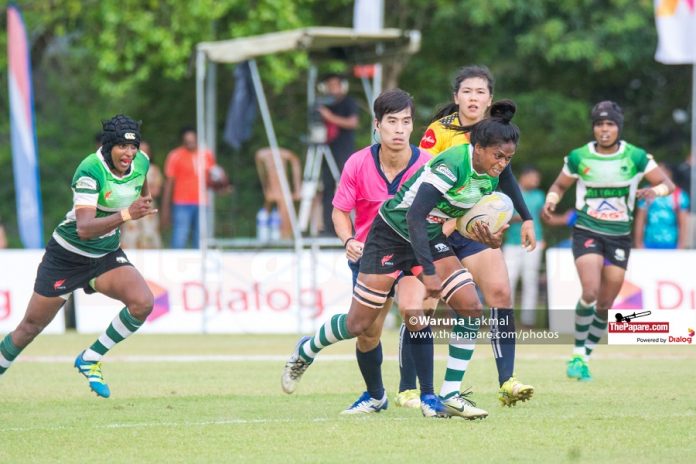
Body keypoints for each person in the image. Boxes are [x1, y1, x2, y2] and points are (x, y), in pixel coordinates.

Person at [283, 99, 522, 420]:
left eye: (508, 158)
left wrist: (486, 236)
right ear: (477, 147)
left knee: (469, 305)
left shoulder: (489, 177)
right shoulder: (452, 163)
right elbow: (414, 216)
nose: (502, 164)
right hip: (391, 235)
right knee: (360, 324)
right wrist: (428, 271)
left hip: (429, 234)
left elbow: (457, 215)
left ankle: (449, 393)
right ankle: (307, 349)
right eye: (498, 156)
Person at [0, 114, 157, 398]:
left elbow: (141, 184)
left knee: (142, 303)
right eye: (122, 146)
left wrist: (143, 201)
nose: (129, 153)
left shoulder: (141, 161)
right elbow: (84, 229)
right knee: (30, 328)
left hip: (105, 255)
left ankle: (90, 358)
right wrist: (127, 214)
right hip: (68, 256)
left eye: (133, 147)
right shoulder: (89, 170)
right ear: (109, 146)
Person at [412, 65, 534, 408]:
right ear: (456, 97)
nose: (474, 97)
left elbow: (506, 177)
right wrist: (442, 223)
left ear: (489, 99)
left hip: (472, 225)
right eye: (467, 91)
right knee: (423, 304)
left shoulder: (495, 131)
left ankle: (507, 380)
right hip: (436, 224)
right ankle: (411, 387)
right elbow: (422, 179)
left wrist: (526, 218)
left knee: (499, 291)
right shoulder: (438, 133)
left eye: (481, 92)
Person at [542, 100, 674, 381]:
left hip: (619, 236)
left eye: (610, 124)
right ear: (594, 128)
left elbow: (668, 185)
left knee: (604, 303)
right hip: (587, 230)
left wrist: (655, 192)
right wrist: (551, 200)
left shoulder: (636, 157)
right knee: (589, 291)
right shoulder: (579, 157)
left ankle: (585, 356)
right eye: (599, 124)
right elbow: (559, 185)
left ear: (618, 128)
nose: (604, 129)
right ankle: (577, 353)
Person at [161, 126, 228, 249]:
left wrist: (222, 185)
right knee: (180, 236)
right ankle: (174, 264)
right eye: (187, 141)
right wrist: (166, 207)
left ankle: (198, 266)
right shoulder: (175, 155)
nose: (190, 143)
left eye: (192, 140)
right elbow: (169, 182)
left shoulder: (206, 154)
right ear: (183, 141)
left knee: (201, 238)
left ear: (197, 139)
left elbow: (211, 180)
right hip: (181, 202)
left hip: (202, 202)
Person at [317, 73, 359, 236]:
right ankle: (328, 228)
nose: (332, 89)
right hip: (325, 150)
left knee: (345, 187)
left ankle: (351, 227)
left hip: (343, 151)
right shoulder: (323, 103)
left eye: (335, 85)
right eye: (329, 85)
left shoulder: (348, 102)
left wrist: (329, 117)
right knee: (327, 188)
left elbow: (352, 122)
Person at [504, 165, 546, 327]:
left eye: (538, 179)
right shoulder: (510, 192)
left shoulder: (539, 195)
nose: (536, 181)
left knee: (531, 280)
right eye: (533, 178)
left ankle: (528, 321)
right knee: (509, 280)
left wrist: (564, 218)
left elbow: (542, 217)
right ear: (524, 177)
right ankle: (507, 318)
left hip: (534, 243)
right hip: (512, 243)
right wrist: (521, 217)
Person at [634, 163, 689, 249]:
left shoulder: (679, 195)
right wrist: (638, 243)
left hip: (671, 242)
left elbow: (683, 223)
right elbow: (640, 219)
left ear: (668, 174)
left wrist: (681, 245)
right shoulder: (647, 192)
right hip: (649, 241)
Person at [121, 141, 164, 248]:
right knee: (131, 235)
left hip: (148, 207)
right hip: (131, 207)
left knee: (149, 234)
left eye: (146, 151)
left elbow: (156, 191)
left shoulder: (154, 170)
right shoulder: (126, 169)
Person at [254, 147, 302, 240]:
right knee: (267, 213)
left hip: (282, 190)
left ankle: (285, 236)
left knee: (284, 209)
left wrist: (297, 188)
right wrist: (265, 187)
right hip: (273, 190)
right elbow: (261, 170)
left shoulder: (282, 154)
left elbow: (295, 161)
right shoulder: (262, 155)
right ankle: (278, 236)